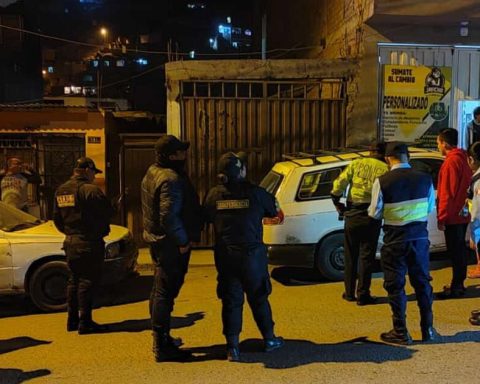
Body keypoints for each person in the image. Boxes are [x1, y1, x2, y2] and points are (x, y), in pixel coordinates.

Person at [203, 151, 284, 362]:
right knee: (259, 298)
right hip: (252, 257)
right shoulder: (256, 193)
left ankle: (232, 348)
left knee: (231, 301)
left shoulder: (213, 195)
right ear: (241, 171)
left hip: (226, 256)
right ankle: (269, 339)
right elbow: (275, 211)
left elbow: (205, 217)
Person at [141, 135, 203, 362]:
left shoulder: (153, 171)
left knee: (160, 291)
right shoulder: (170, 179)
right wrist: (182, 242)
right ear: (170, 156)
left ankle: (162, 338)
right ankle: (162, 345)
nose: (184, 155)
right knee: (165, 293)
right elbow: (168, 216)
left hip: (158, 241)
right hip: (170, 244)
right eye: (180, 152)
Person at [369, 142, 438, 345]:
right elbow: (429, 208)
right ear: (408, 156)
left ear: (388, 159)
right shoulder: (425, 179)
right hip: (419, 239)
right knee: (423, 284)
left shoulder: (382, 181)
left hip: (395, 240)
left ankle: (401, 331)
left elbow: (374, 212)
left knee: (396, 286)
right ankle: (428, 330)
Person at [53, 157, 114, 335]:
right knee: (87, 281)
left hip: (71, 242)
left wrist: (71, 233)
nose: (94, 176)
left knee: (74, 281)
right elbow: (107, 211)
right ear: (87, 170)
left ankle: (72, 321)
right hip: (89, 242)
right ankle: (85, 322)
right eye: (94, 173)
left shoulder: (61, 190)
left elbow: (57, 219)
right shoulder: (90, 190)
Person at [330, 141, 388, 305]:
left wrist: (336, 200)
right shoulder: (385, 169)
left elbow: (339, 184)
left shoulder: (356, 164)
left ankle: (349, 293)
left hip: (352, 215)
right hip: (372, 216)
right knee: (366, 256)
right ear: (383, 154)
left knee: (350, 255)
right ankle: (363, 295)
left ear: (370, 152)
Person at [436, 128, 472, 299]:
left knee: (455, 251)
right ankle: (459, 283)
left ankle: (457, 286)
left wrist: (441, 217)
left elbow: (446, 193)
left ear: (445, 143)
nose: (438, 147)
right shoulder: (464, 159)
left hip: (453, 215)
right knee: (460, 251)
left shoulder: (450, 162)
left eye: (438, 143)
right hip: (463, 213)